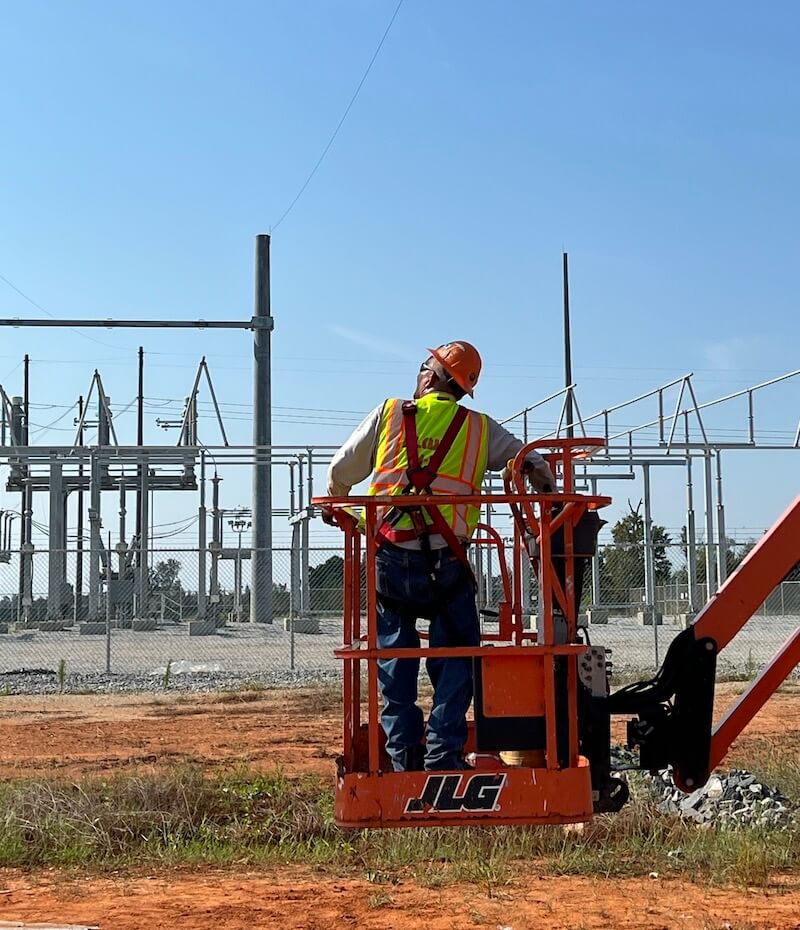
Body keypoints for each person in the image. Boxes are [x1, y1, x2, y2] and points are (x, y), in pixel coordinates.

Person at [326, 341, 555, 772]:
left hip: (391, 559)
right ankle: (443, 756)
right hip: (450, 564)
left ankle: (403, 759)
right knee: (457, 658)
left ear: (431, 376)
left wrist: (340, 505)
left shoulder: (390, 413)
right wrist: (543, 492)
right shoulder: (480, 428)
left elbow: (341, 472)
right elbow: (533, 463)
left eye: (422, 368)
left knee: (392, 659)